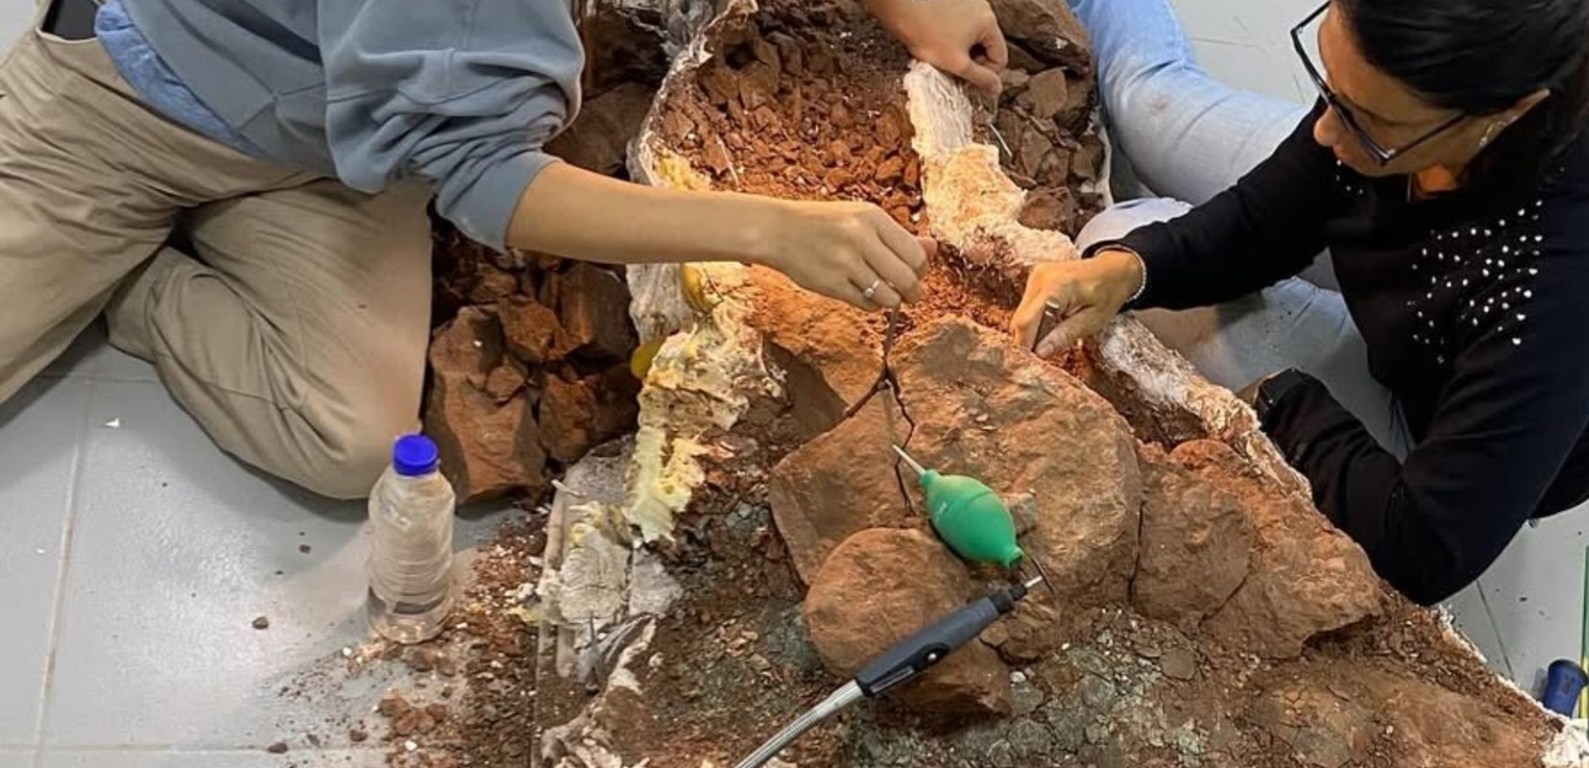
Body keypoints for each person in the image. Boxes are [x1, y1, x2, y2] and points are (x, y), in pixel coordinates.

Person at [0, 0, 1002, 498]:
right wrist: (768, 228)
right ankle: (100, 220)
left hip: (340, 140)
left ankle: (131, 276)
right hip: (137, 96)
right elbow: (481, 179)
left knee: (348, 442)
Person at [1011, 0, 1589, 604]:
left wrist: (1281, 405)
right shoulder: (1404, 89)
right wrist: (1132, 271)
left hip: (1428, 417)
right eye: (1330, 86)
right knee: (1143, 144)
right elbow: (1272, 216)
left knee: (1125, 230)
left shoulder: (1562, 281)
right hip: (1416, 264)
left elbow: (1424, 550)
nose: (1324, 132)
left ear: (1504, 113)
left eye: (1365, 117)